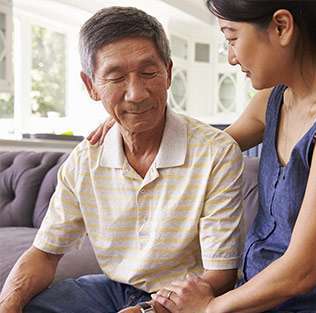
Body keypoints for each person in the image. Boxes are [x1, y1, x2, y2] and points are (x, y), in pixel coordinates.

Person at [88, 1, 316, 312]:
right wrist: (135, 120)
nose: (230, 57)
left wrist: (211, 308)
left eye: (232, 38)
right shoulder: (274, 100)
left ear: (281, 27)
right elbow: (202, 150)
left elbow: (303, 270)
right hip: (264, 299)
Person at [0, 6, 244, 313]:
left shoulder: (216, 153)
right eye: (116, 77)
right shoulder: (84, 161)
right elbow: (44, 254)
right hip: (109, 290)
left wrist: (148, 310)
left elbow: (220, 276)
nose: (136, 94)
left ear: (168, 73)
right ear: (91, 86)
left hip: (186, 299)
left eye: (148, 72)